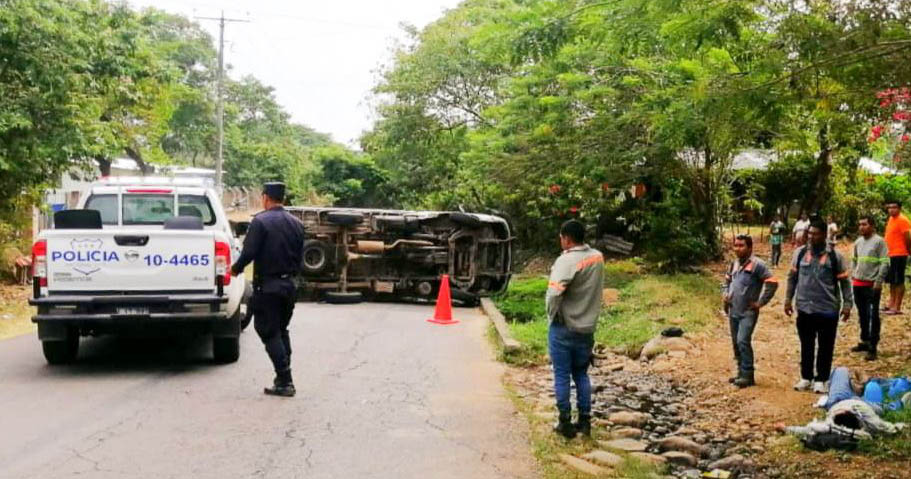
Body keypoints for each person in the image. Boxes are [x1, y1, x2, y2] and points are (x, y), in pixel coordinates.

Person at [231, 182, 305, 397]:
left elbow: (249, 253)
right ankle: (282, 376)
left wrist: (234, 270)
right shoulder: (297, 224)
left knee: (269, 331)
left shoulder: (260, 222)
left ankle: (285, 380)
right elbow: (300, 258)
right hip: (289, 285)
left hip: (269, 286)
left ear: (265, 197)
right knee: (281, 330)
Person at [546, 219, 604, 438]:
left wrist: (551, 315)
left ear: (567, 239)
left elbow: (554, 294)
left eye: (561, 237)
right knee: (581, 374)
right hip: (587, 328)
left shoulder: (566, 261)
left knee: (561, 374)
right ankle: (585, 422)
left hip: (564, 327)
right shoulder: (597, 258)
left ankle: (564, 422)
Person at [785, 220, 853, 394]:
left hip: (827, 309)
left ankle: (821, 379)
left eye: (815, 233)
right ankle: (806, 377)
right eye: (809, 233)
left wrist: (847, 304)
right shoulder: (799, 254)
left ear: (824, 235)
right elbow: (792, 278)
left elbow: (845, 282)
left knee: (825, 346)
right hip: (805, 307)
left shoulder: (835, 256)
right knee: (806, 344)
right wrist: (788, 299)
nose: (811, 237)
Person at [722, 234, 778, 388]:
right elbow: (726, 282)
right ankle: (740, 372)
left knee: (743, 340)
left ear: (750, 247)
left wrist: (760, 302)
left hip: (748, 311)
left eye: (741, 246)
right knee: (736, 342)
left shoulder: (757, 265)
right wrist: (725, 294)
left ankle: (748, 375)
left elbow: (772, 282)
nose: (737, 249)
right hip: (733, 309)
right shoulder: (733, 264)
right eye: (736, 245)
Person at [850, 216, 889, 361]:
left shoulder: (879, 241)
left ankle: (873, 346)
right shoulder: (858, 242)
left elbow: (885, 262)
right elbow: (854, 260)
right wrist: (854, 275)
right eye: (860, 224)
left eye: (864, 224)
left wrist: (878, 281)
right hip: (858, 284)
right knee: (862, 314)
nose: (861, 227)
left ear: (872, 226)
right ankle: (865, 340)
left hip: (871, 285)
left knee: (873, 315)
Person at [883, 201, 911, 315]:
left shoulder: (903, 220)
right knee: (892, 281)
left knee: (898, 280)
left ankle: (897, 307)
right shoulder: (891, 219)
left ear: (899, 208)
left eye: (894, 207)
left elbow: (908, 237)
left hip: (900, 254)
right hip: (890, 254)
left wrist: (909, 250)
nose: (891, 209)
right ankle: (891, 304)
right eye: (889, 207)